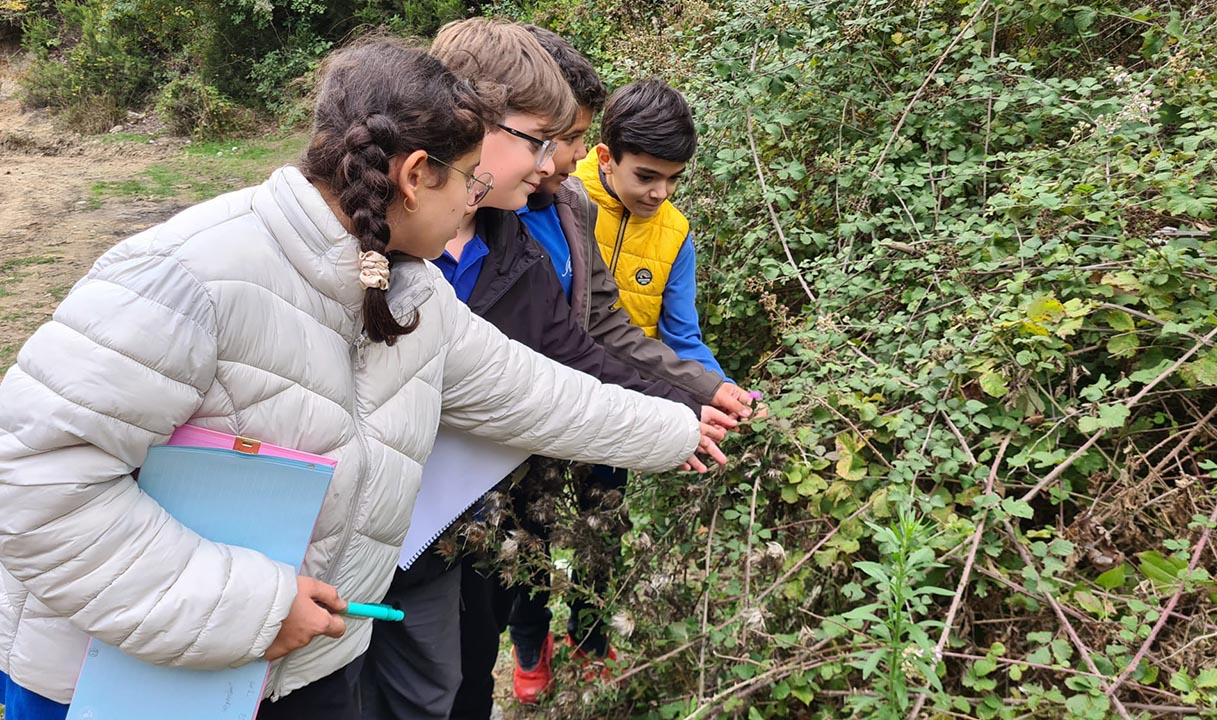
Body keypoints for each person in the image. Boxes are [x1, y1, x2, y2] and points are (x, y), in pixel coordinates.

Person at [0, 36, 720, 720]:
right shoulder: (185, 276)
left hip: (302, 666)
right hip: (112, 674)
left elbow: (533, 393)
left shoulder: (411, 292)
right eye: (469, 181)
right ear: (415, 177)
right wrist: (252, 607)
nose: (478, 199)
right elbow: (33, 483)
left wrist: (678, 430)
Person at [358, 19, 731, 720]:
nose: (553, 162)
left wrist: (686, 411)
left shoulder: (520, 236)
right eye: (547, 140)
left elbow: (564, 362)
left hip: (455, 510)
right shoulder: (381, 245)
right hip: (353, 525)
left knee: (447, 675)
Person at [501, 29, 758, 708]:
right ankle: (530, 651)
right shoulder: (548, 195)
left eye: (674, 180)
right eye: (647, 176)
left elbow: (673, 335)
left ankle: (591, 647)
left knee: (601, 534)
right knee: (527, 540)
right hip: (537, 408)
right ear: (604, 157)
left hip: (625, 400)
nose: (659, 193)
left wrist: (713, 388)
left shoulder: (670, 232)